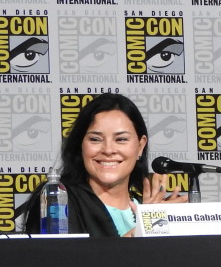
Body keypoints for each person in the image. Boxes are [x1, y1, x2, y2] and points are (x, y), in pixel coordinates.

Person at [23, 93, 186, 237]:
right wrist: (145, 227)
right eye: (95, 139)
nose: (108, 150)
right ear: (81, 145)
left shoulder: (149, 208)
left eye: (121, 139)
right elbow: (63, 261)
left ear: (140, 146)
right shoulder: (58, 200)